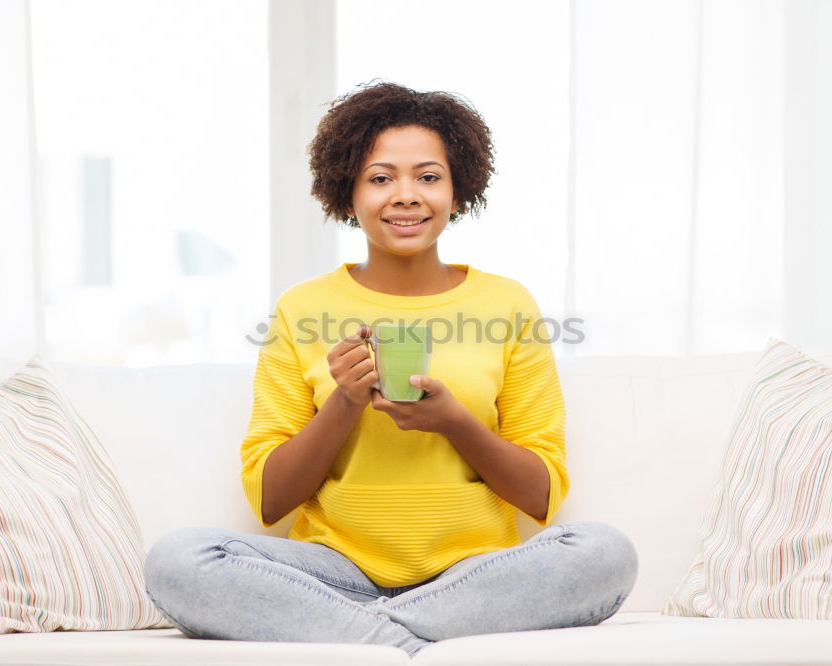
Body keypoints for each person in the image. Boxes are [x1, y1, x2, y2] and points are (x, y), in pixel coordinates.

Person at [144, 82, 638, 656]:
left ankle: (363, 638)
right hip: (333, 574)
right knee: (178, 560)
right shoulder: (302, 308)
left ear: (458, 192)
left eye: (428, 177)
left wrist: (455, 422)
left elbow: (541, 496)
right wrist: (344, 403)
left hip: (473, 575)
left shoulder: (508, 305)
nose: (405, 195)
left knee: (605, 553)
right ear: (347, 193)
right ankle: (415, 638)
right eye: (381, 178)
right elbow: (270, 501)